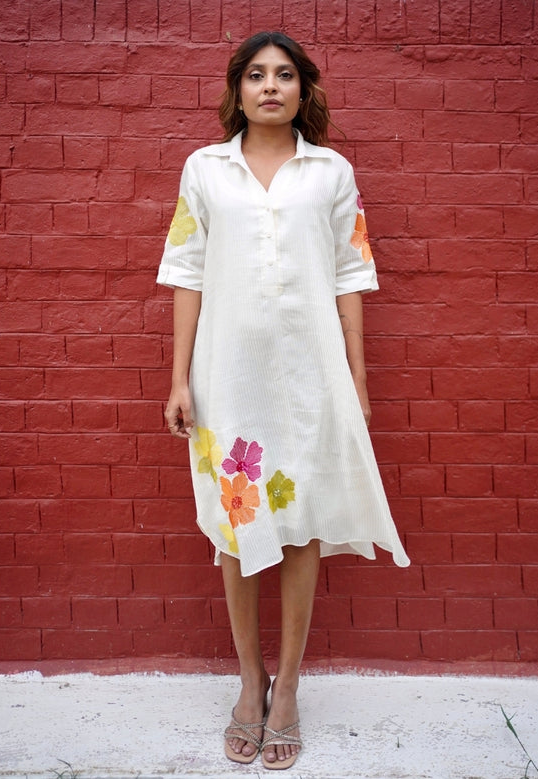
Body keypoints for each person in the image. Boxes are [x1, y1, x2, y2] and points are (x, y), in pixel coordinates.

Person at [158, 30, 410, 770]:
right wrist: (179, 378)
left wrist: (357, 381)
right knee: (238, 531)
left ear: (304, 89)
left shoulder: (329, 171)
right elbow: (185, 271)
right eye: (257, 75)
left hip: (309, 377)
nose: (271, 86)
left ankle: (289, 688)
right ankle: (248, 682)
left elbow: (351, 275)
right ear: (236, 89)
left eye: (286, 75)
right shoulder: (204, 169)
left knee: (298, 523)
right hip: (227, 374)